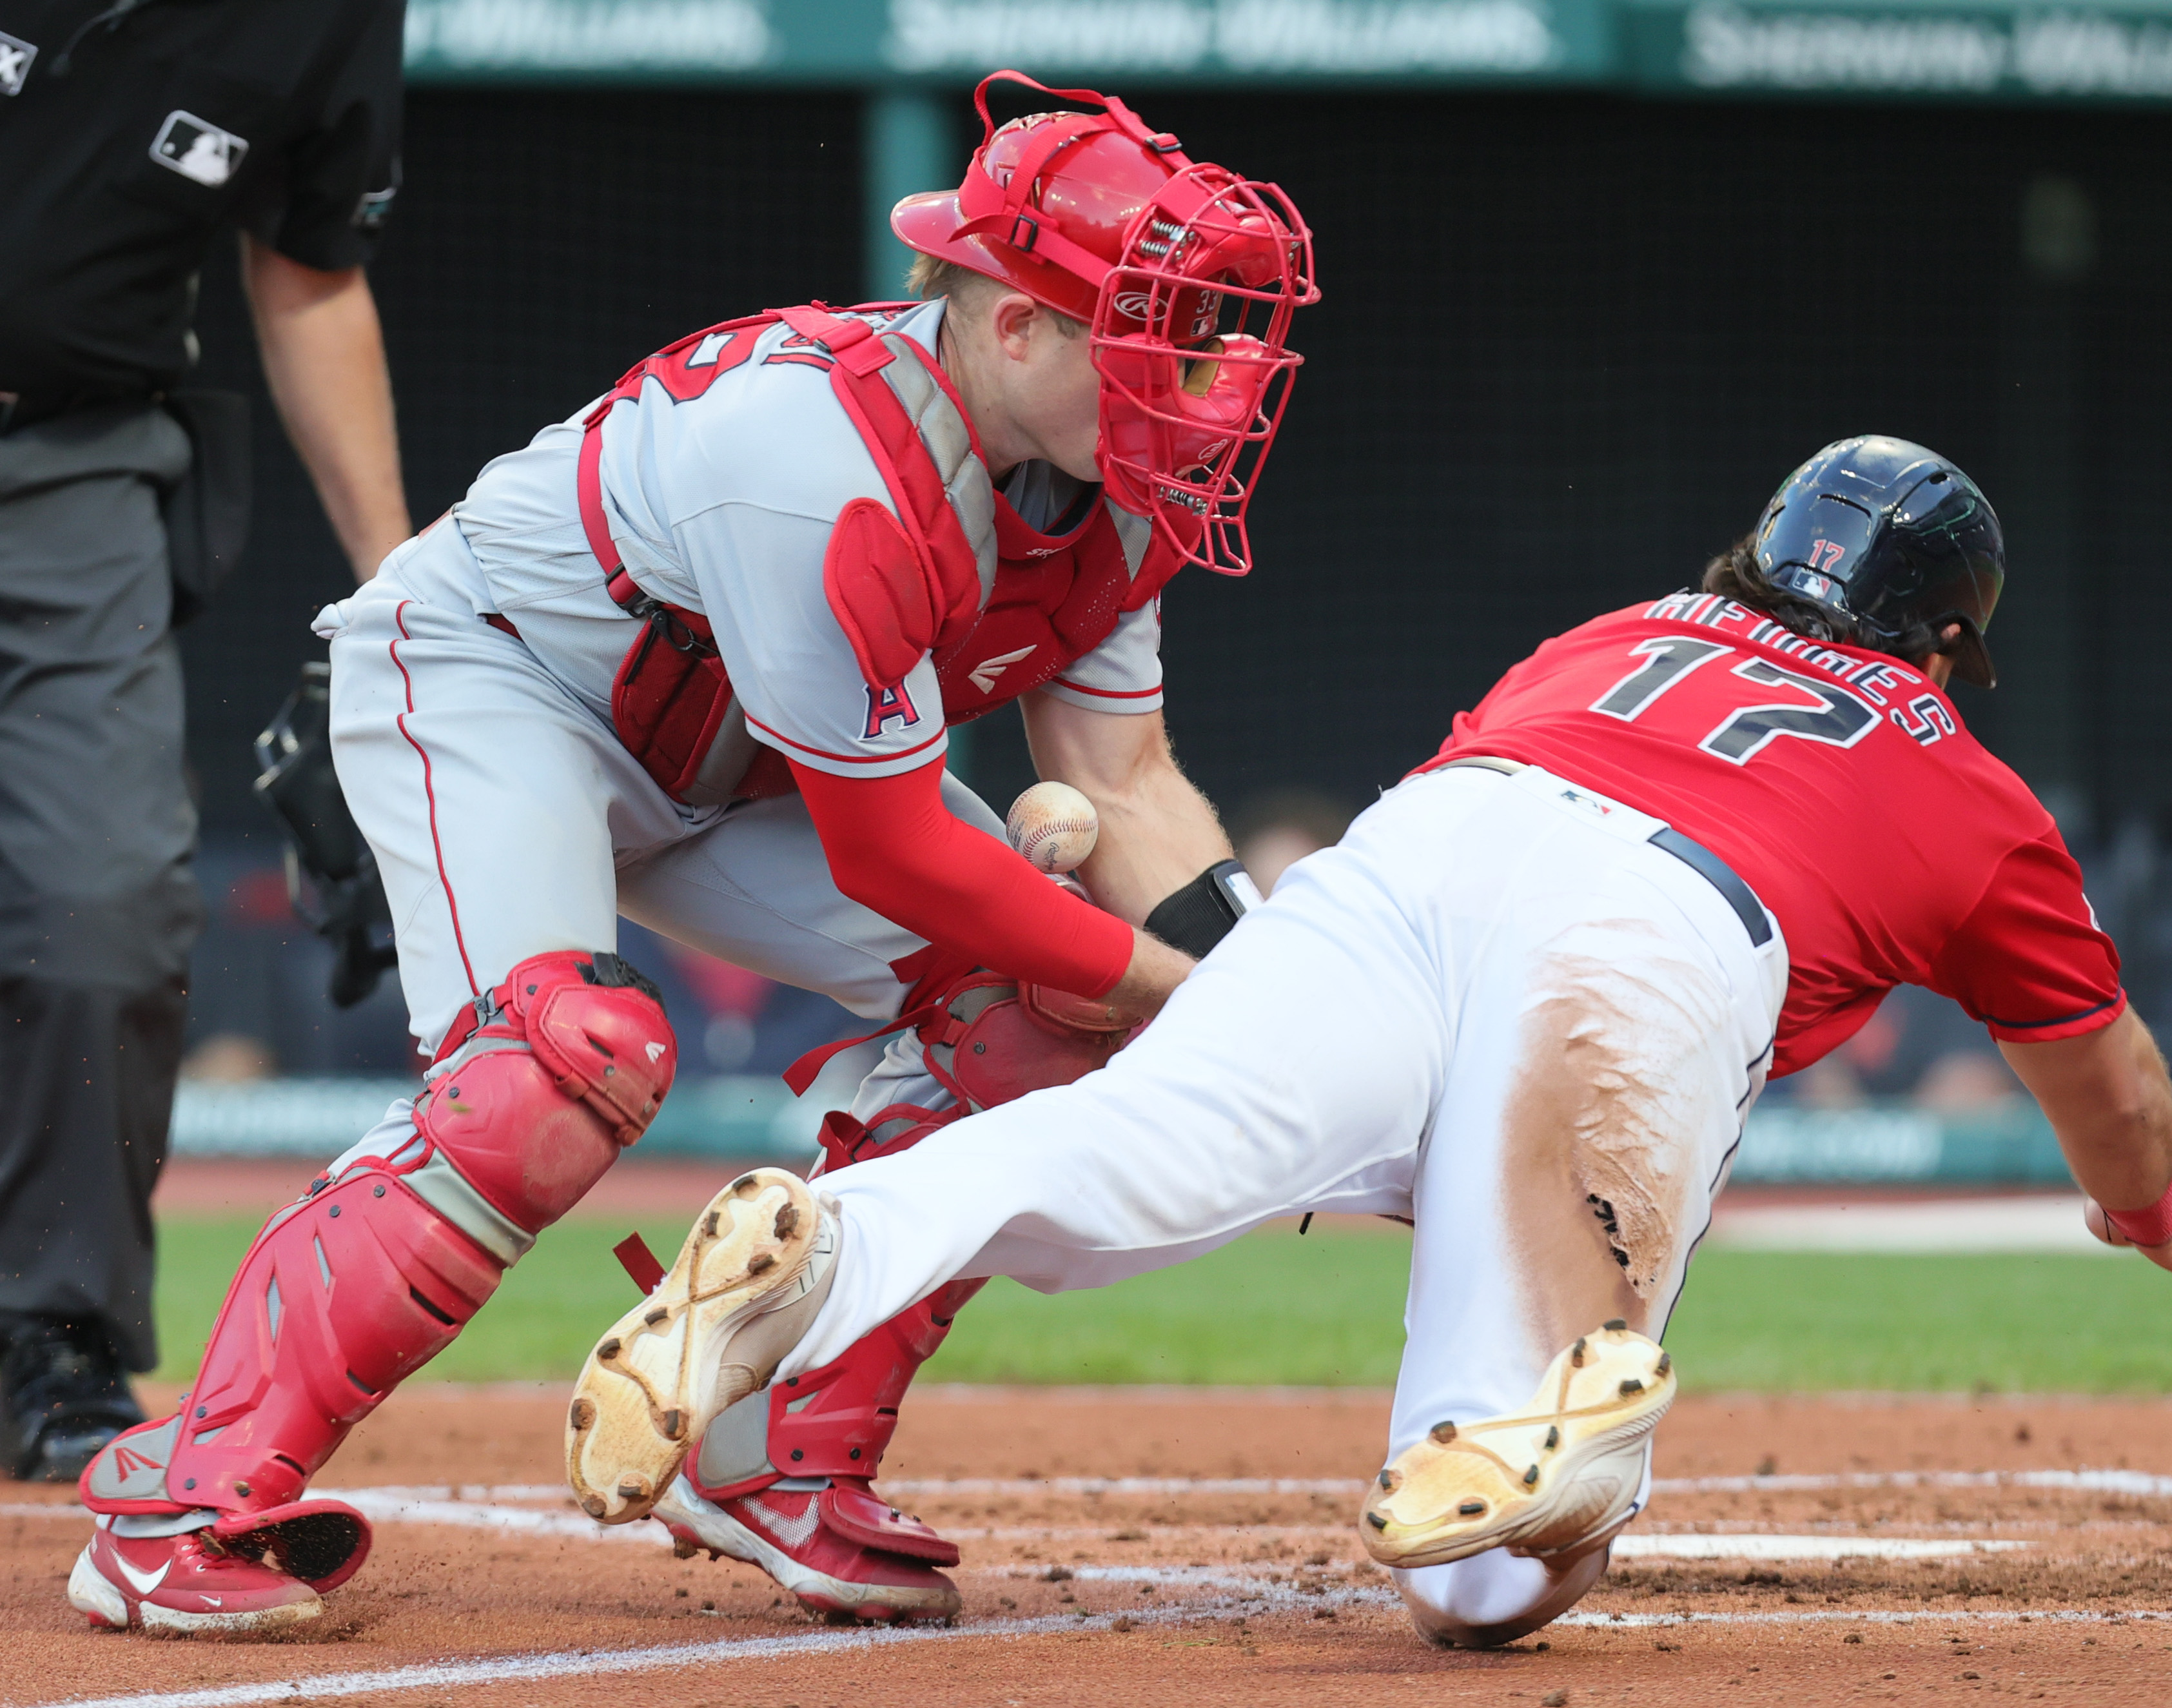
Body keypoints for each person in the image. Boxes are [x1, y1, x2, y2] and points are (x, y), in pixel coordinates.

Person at [562, 435, 2172, 1653]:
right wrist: (2139, 1216)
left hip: (1420, 845)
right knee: (1479, 1592)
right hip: (1656, 936)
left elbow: (1481, 878)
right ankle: (1552, 1420)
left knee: (1108, 1174)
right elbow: (2112, 1085)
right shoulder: (1958, 782)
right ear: (1941, 634)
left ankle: (840, 1242)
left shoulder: (1613, 638)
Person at [68, 70, 1316, 1636]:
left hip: (729, 765)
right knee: (561, 1060)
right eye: (1165, 330)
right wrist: (1167, 993)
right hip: (508, 680)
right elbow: (897, 856)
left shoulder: (1113, 489)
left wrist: (1266, 998)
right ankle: (184, 1486)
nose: (1205, 374)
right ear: (1013, 325)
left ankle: (763, 1439)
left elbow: (1121, 778)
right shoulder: (819, 457)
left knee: (1036, 1023)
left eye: (1212, 331)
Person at [0, 0, 410, 1484]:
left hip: (73, 465)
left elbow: (309, 271)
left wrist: (395, 609)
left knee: (105, 902)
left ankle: (52, 1336)